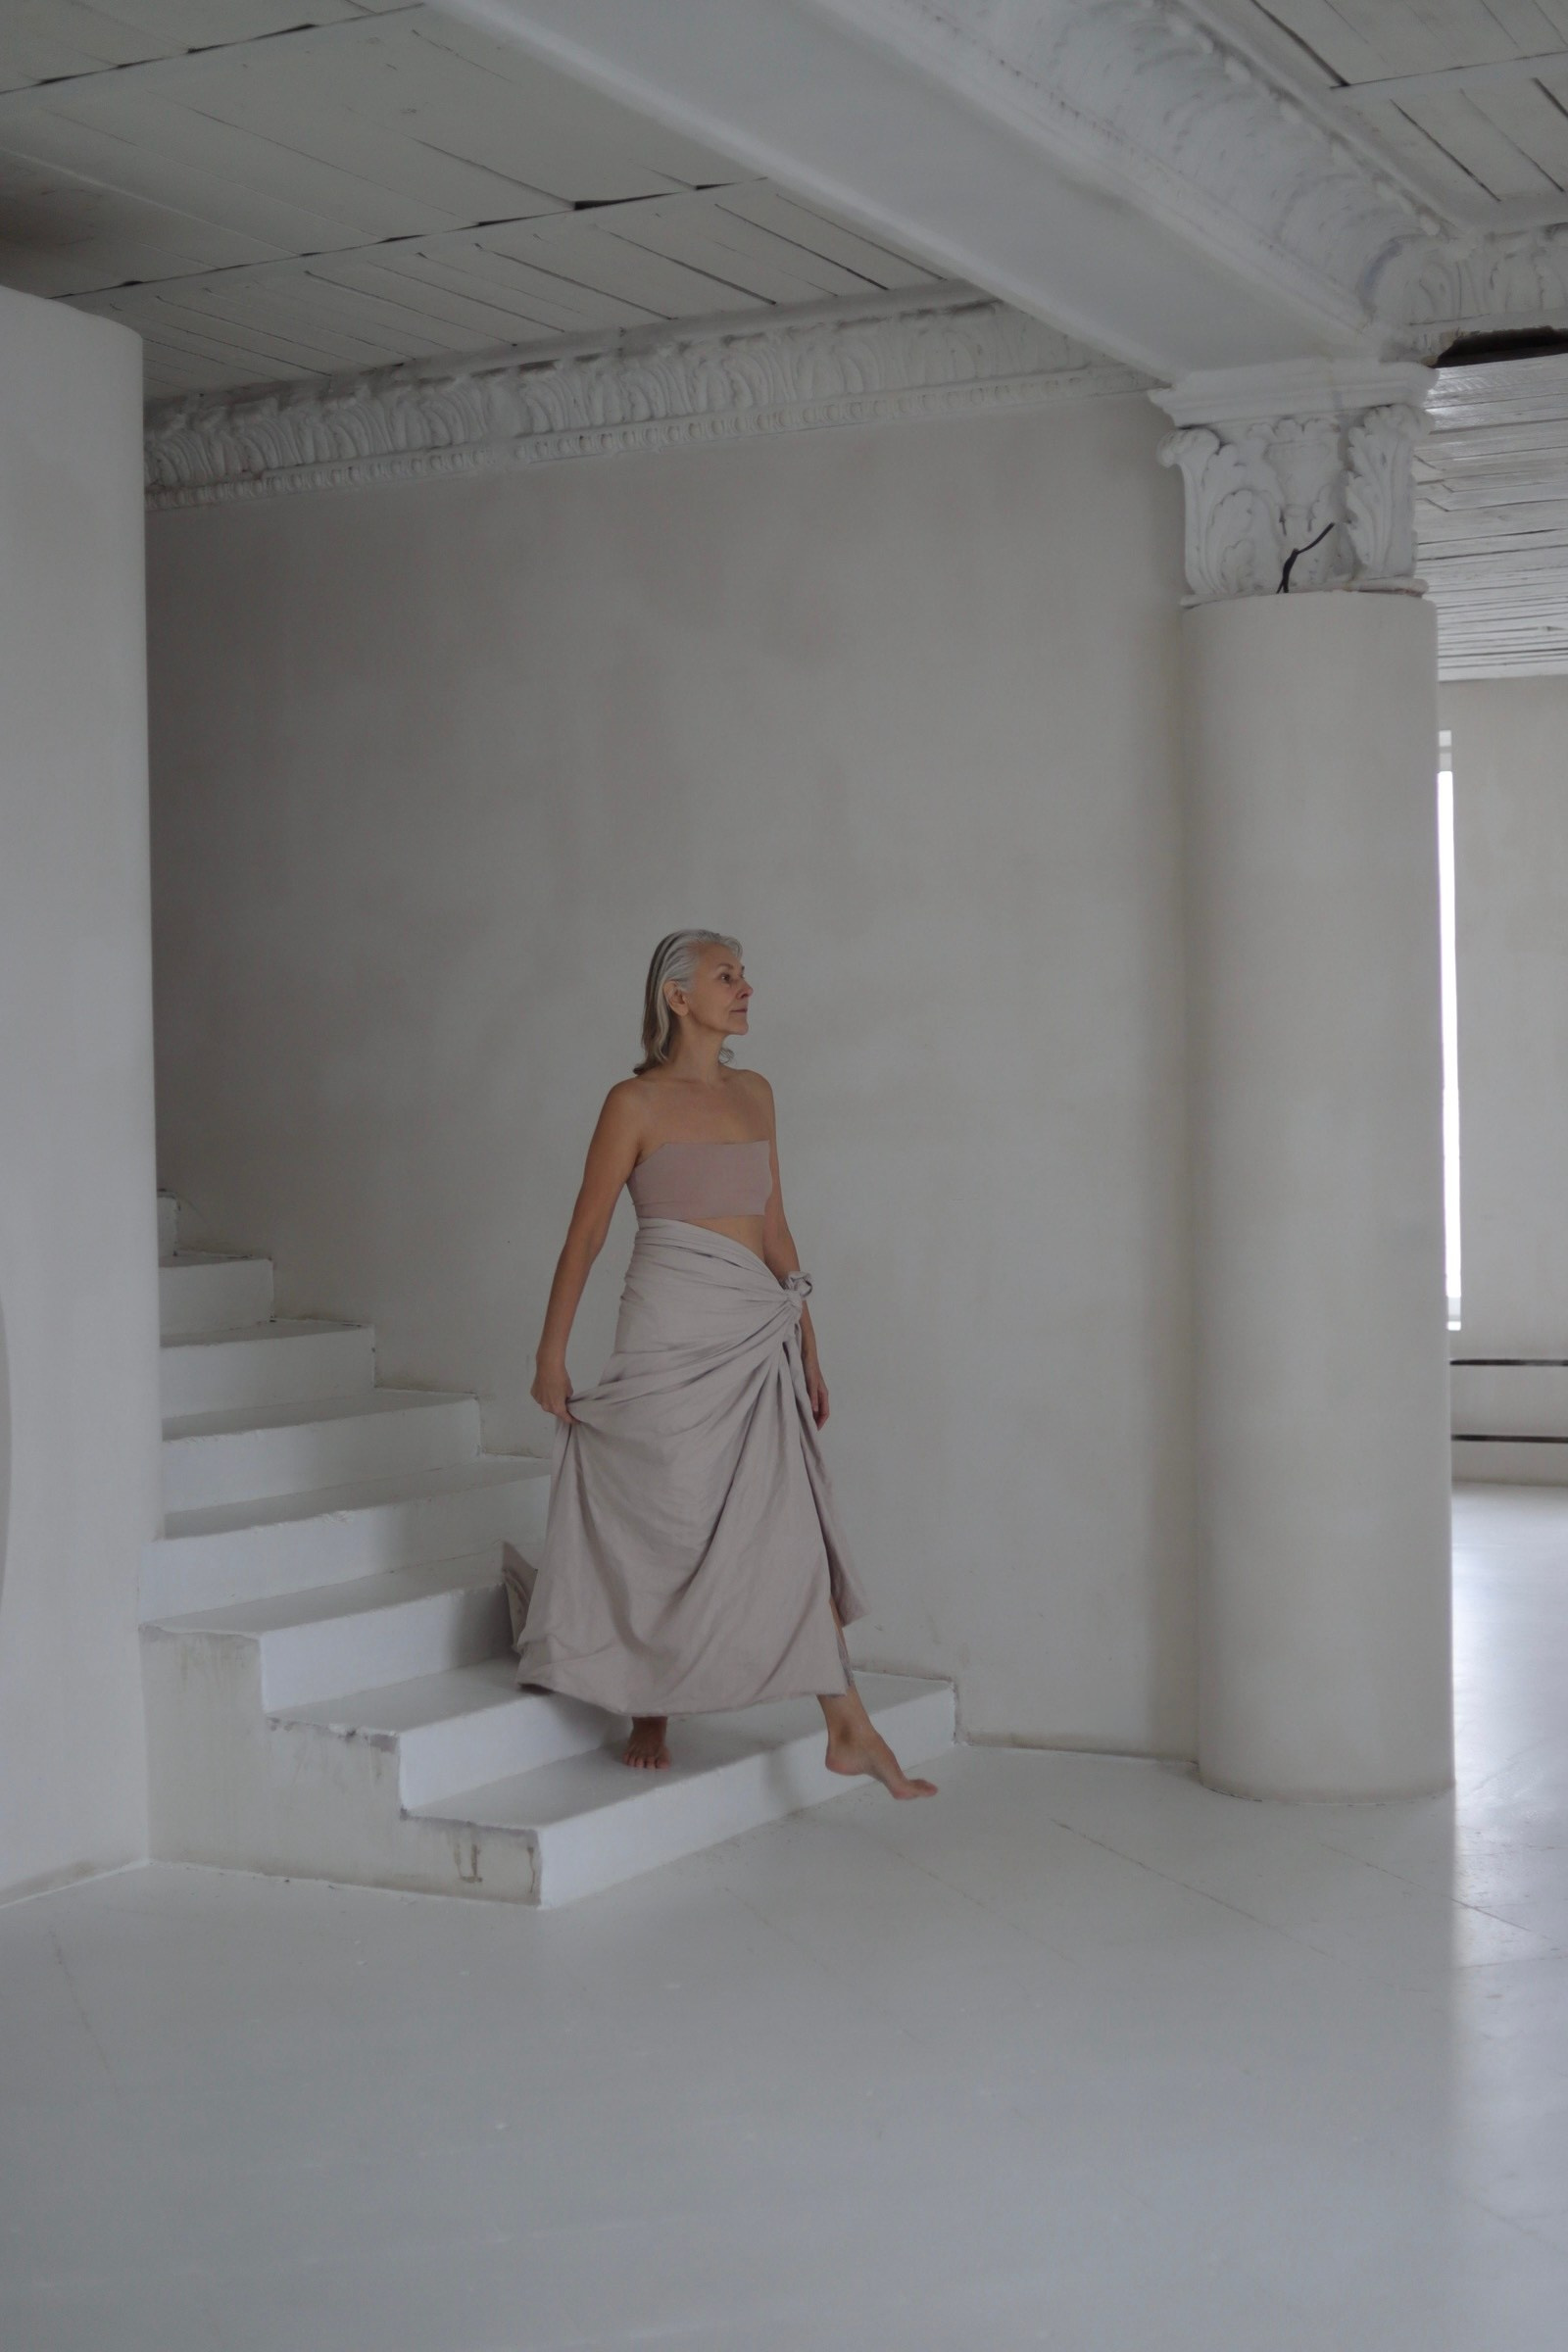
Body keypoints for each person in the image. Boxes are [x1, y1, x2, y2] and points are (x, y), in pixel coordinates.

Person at [513, 928, 937, 1799]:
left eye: (744, 976)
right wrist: (550, 1353)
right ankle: (651, 1699)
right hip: (670, 1327)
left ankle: (847, 1724)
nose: (745, 989)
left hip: (755, 1327)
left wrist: (806, 1334)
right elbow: (586, 1234)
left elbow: (774, 1226)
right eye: (726, 976)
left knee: (790, 1523)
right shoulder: (633, 1104)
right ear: (678, 997)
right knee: (667, 1513)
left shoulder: (756, 1094)